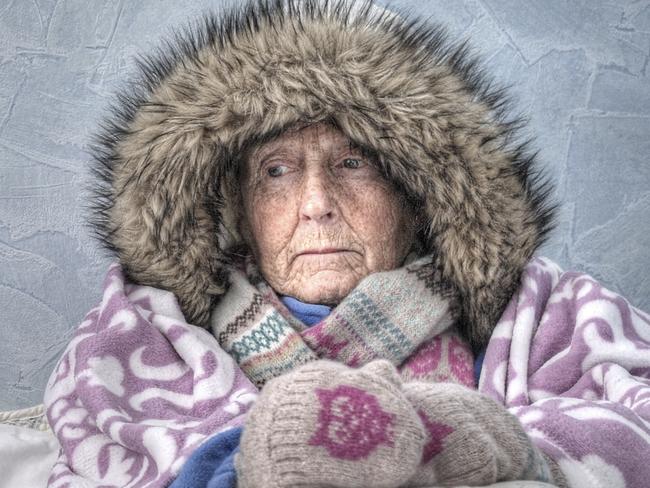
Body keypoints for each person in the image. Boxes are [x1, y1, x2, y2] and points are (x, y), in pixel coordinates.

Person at [42, 1, 650, 487]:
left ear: (419, 195)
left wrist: (475, 438)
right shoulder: (144, 334)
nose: (315, 202)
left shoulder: (549, 315)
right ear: (239, 208)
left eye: (353, 162)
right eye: (276, 171)